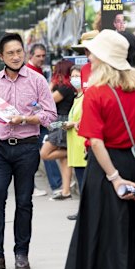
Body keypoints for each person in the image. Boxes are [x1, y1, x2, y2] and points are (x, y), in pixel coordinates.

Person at [63, 29, 135, 269]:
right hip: (134, 164)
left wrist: (115, 178)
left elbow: (96, 142)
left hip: (105, 170)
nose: (90, 59)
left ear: (104, 59)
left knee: (100, 234)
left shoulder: (96, 93)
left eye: (94, 54)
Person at [0, 33, 57, 269]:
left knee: (24, 202)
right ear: (1, 56)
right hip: (0, 150)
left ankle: (21, 253)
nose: (15, 56)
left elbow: (50, 116)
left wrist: (26, 119)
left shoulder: (37, 80)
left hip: (27, 148)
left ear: (24, 52)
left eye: (19, 51)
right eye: (10, 53)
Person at [25, 43, 62, 197]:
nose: (41, 58)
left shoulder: (36, 71)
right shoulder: (29, 72)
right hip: (35, 119)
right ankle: (55, 184)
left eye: (43, 55)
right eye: (38, 56)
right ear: (30, 56)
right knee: (35, 152)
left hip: (37, 119)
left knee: (38, 151)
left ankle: (55, 184)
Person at [40, 59, 76, 200]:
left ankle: (68, 152)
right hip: (62, 121)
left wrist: (52, 84)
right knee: (64, 159)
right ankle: (66, 191)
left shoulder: (64, 88)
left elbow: (47, 100)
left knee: (45, 153)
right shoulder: (70, 88)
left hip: (62, 122)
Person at [63, 65, 86, 220]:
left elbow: (84, 119)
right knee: (81, 181)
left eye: (78, 75)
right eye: (72, 76)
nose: (75, 79)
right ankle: (83, 211)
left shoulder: (85, 96)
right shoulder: (76, 96)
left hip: (82, 144)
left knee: (84, 182)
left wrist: (71, 123)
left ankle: (85, 212)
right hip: (74, 144)